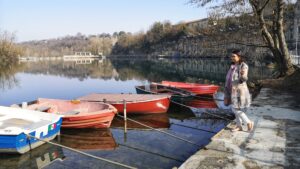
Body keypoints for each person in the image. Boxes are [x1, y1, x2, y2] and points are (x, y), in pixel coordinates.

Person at [224, 50, 254, 132]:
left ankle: (248, 122)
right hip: (231, 90)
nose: (232, 58)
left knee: (235, 109)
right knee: (235, 108)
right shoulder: (232, 66)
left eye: (234, 56)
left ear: (239, 56)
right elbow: (229, 79)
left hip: (239, 91)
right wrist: (226, 93)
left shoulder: (243, 66)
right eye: (231, 56)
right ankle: (239, 126)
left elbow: (244, 79)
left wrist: (242, 75)